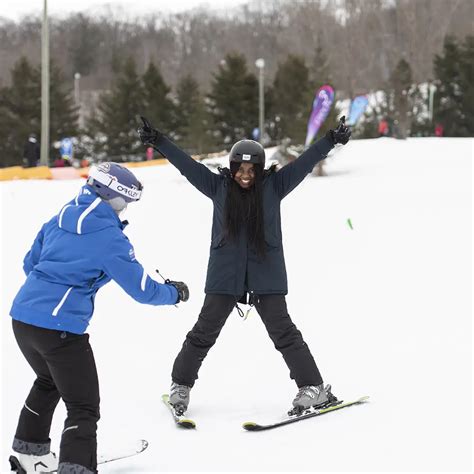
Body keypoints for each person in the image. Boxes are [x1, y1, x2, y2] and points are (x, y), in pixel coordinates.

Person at [138, 115, 351, 416]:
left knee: (284, 333)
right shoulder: (218, 187)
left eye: (252, 169)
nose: (246, 174)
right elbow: (187, 166)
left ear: (260, 169)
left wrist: (330, 140)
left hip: (267, 274)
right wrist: (159, 141)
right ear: (233, 167)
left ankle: (312, 388)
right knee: (203, 332)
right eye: (240, 168)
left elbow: (305, 162)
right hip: (225, 274)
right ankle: (180, 386)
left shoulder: (275, 186)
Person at [9, 162, 189, 474]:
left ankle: (29, 452)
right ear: (113, 197)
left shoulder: (58, 218)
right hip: (59, 329)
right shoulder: (108, 238)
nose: (125, 209)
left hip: (23, 319)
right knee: (83, 407)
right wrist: (174, 293)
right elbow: (143, 290)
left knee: (47, 380)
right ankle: (76, 467)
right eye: (125, 202)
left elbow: (31, 263)